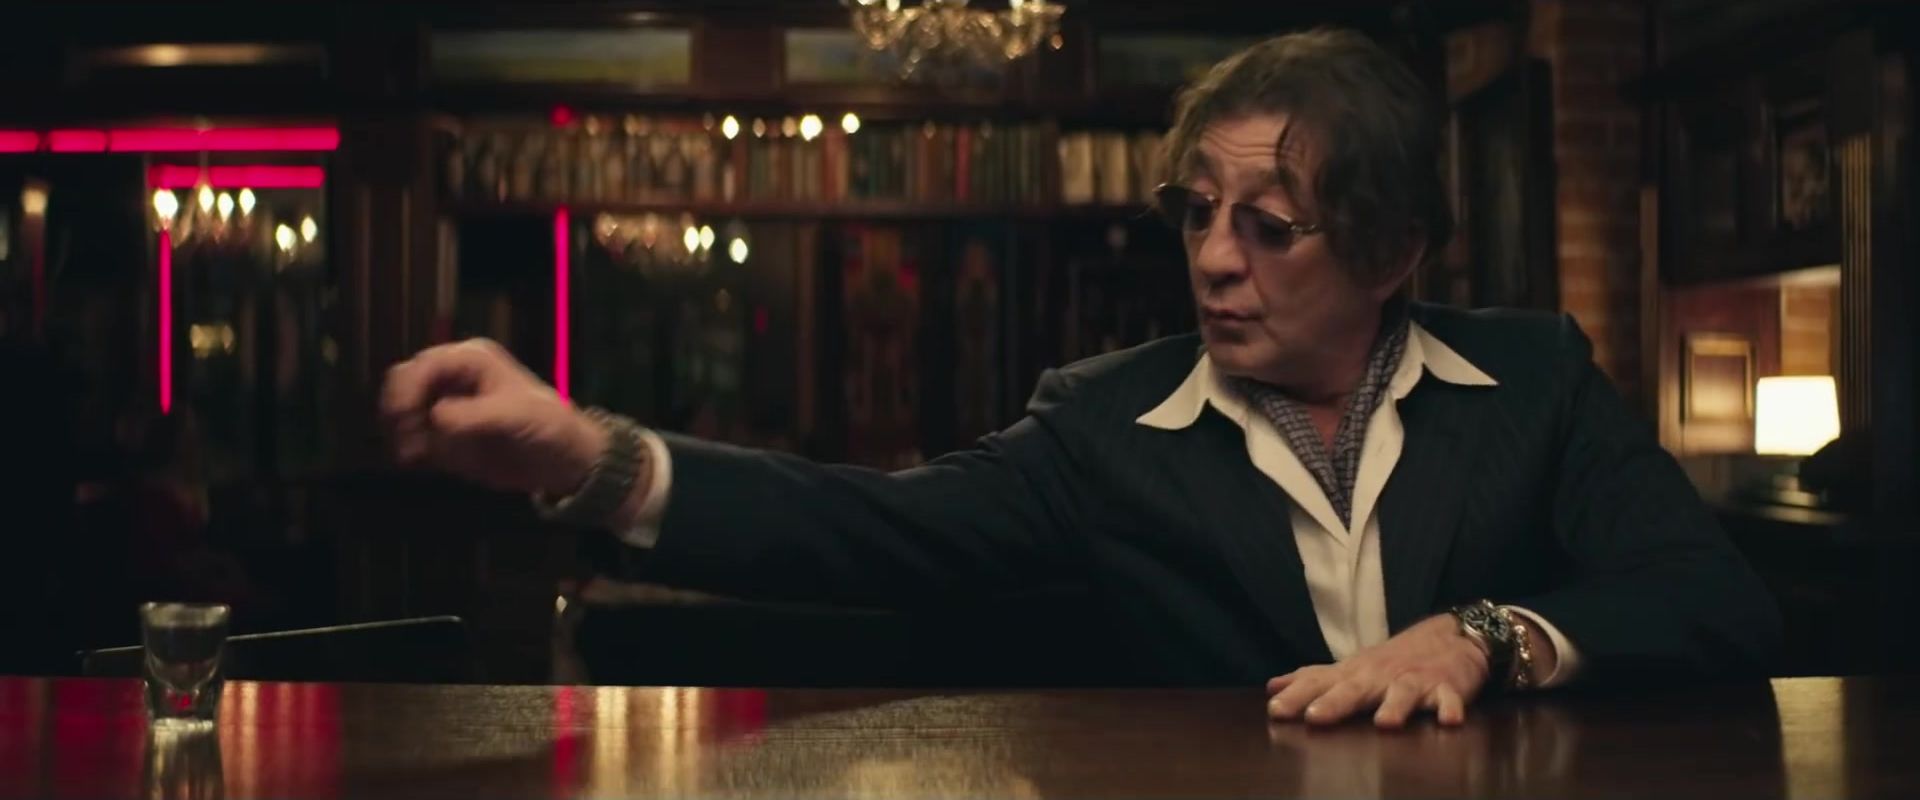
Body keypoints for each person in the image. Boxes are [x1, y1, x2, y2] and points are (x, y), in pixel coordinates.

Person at [382, 28, 1780, 727]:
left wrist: (1486, 635)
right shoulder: (1105, 422)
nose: (1213, 260)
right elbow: (868, 529)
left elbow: (1715, 603)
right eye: (1195, 214)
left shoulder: (1534, 379)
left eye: (1268, 226)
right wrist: (592, 457)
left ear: (1393, 250)